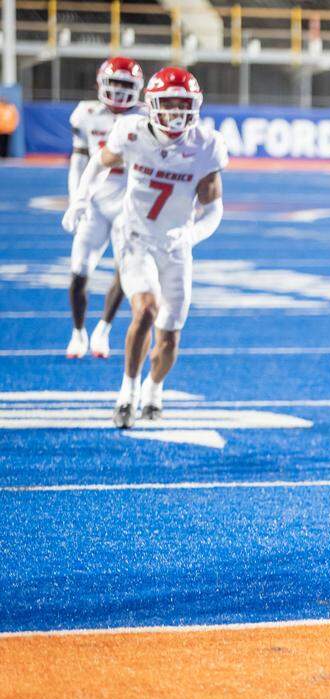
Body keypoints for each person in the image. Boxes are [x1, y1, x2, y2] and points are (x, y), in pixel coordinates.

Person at [63, 66, 228, 427]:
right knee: (146, 310)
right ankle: (128, 393)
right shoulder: (131, 131)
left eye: (183, 104)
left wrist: (191, 235)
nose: (176, 112)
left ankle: (154, 389)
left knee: (169, 337)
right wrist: (80, 199)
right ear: (152, 104)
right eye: (168, 104)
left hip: (175, 246)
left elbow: (214, 210)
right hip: (134, 236)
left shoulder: (206, 145)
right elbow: (99, 163)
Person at [64, 56, 145, 359]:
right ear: (101, 83)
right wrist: (77, 200)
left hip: (129, 203)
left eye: (127, 84)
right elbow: (79, 160)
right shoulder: (86, 114)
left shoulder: (146, 118)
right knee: (78, 273)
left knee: (124, 272)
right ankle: (78, 331)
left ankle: (104, 329)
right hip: (96, 203)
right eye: (116, 83)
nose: (121, 90)